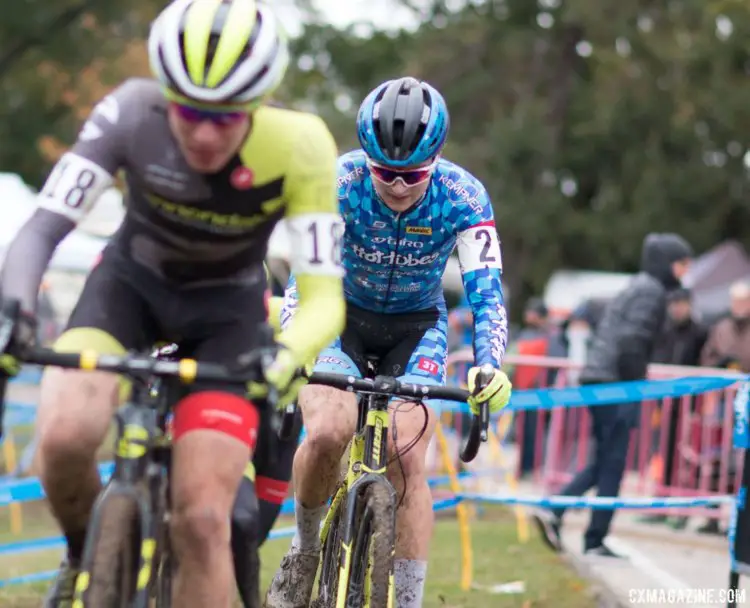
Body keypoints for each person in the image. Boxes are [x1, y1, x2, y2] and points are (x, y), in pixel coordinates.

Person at [0, 1, 345, 607]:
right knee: (62, 437)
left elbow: (322, 298)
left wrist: (288, 354)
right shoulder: (129, 111)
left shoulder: (302, 145)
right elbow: (41, 228)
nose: (205, 133)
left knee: (205, 524)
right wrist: (14, 306)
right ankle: (86, 557)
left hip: (227, 316)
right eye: (189, 112)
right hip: (127, 293)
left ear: (259, 104)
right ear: (165, 94)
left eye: (227, 117)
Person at [265, 76, 513, 608]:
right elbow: (302, 283)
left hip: (416, 325)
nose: (398, 186)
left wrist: (491, 364)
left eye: (413, 175)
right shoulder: (338, 181)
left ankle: (407, 600)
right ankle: (305, 550)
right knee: (329, 431)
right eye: (385, 172)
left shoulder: (463, 196)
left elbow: (487, 292)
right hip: (337, 315)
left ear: (437, 159)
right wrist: (293, 347)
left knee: (406, 456)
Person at [532, 232, 693, 557]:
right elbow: (633, 341)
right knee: (613, 462)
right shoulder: (651, 292)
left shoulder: (640, 286)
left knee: (605, 460)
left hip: (603, 378)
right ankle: (588, 534)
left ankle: (559, 512)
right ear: (667, 263)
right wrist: (634, 386)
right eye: (681, 264)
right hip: (616, 382)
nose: (683, 272)